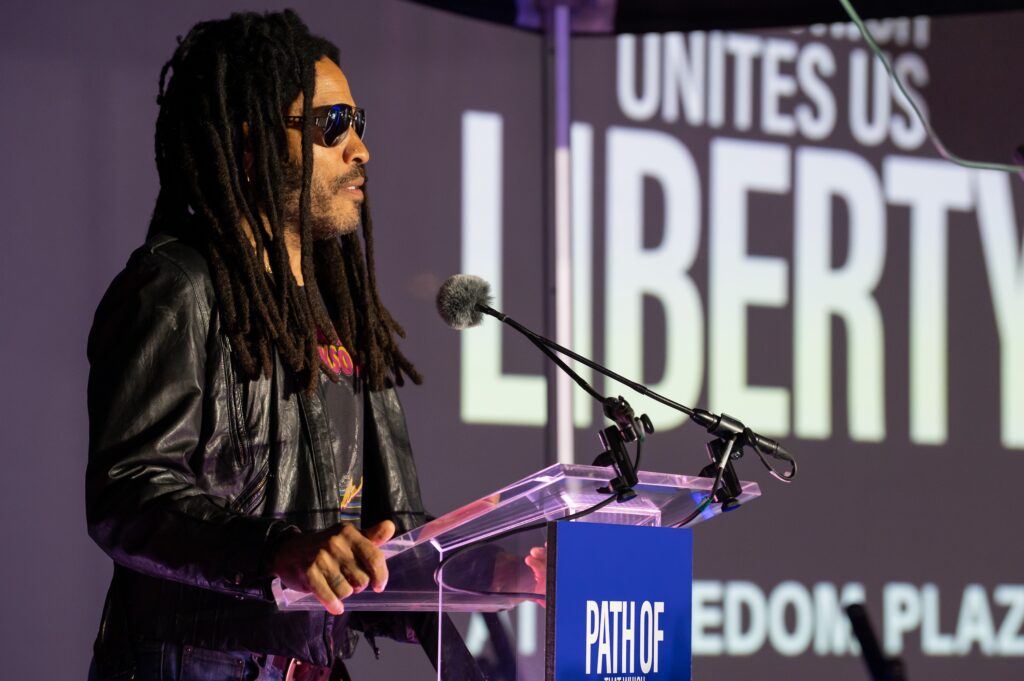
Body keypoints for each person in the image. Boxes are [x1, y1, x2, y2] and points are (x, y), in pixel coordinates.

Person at [86, 10, 447, 681]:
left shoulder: (344, 315)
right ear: (250, 145)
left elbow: (383, 545)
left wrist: (490, 573)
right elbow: (128, 496)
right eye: (331, 124)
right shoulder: (175, 288)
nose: (359, 150)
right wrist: (277, 552)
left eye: (358, 122)